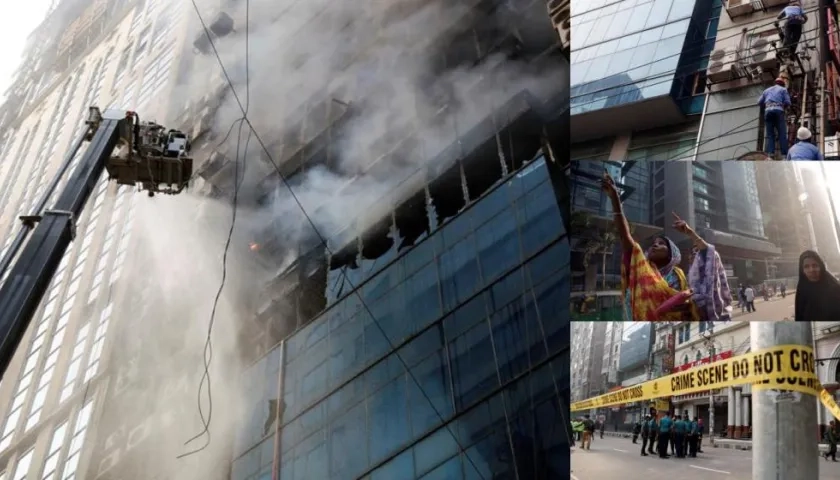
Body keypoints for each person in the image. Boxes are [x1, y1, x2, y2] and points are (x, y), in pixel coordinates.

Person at [600, 171, 731, 321]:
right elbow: (625, 237)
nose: (654, 245)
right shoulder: (641, 269)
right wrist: (615, 200)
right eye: (654, 243)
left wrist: (690, 233)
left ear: (671, 255)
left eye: (661, 244)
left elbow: (709, 259)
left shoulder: (679, 277)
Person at [795, 250, 840, 321]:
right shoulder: (802, 290)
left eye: (815, 265)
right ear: (802, 270)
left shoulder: (834, 288)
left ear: (821, 267)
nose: (811, 270)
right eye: (806, 267)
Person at [758, 78, 792, 158]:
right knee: (782, 134)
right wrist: (783, 107)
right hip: (778, 111)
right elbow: (788, 102)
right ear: (782, 84)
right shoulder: (783, 90)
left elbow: (759, 102)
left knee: (770, 134)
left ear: (775, 83)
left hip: (768, 111)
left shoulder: (766, 90)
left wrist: (767, 106)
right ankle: (784, 154)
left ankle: (771, 153)